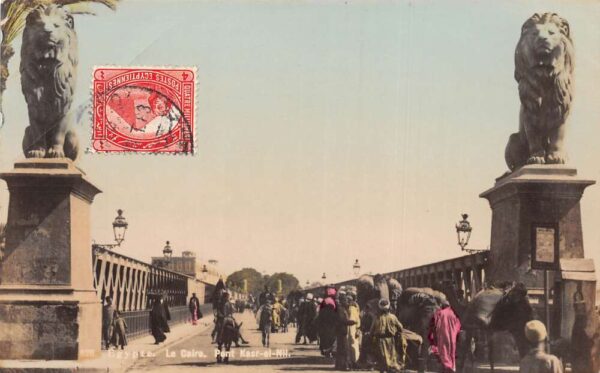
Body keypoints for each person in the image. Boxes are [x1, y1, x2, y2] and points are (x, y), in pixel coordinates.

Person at [428, 299, 461, 373]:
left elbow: (433, 325)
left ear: (442, 306)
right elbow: (458, 327)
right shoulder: (454, 314)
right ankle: (451, 368)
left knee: (444, 353)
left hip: (442, 337)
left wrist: (432, 337)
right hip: (452, 338)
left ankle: (447, 368)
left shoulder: (439, 313)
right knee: (451, 353)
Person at [370, 298, 403, 373]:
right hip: (390, 340)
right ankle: (389, 369)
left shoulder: (377, 318)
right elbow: (400, 327)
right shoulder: (393, 317)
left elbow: (371, 330)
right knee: (390, 356)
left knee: (382, 357)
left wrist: (371, 337)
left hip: (380, 340)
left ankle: (385, 369)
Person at [335, 293, 357, 371]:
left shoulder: (343, 308)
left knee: (341, 348)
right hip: (341, 330)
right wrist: (351, 322)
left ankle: (339, 365)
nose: (347, 302)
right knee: (343, 348)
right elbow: (342, 320)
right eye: (345, 300)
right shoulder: (340, 309)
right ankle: (343, 366)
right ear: (342, 300)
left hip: (342, 330)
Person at [317, 287, 338, 357]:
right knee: (331, 337)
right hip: (331, 322)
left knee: (325, 337)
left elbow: (320, 312)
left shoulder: (324, 301)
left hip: (324, 322)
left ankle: (326, 351)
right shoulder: (333, 301)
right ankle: (329, 351)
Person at [347, 292, 362, 367]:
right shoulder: (355, 306)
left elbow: (353, 319)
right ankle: (353, 361)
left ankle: (354, 362)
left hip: (352, 327)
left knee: (353, 344)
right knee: (353, 344)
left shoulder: (352, 307)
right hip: (353, 327)